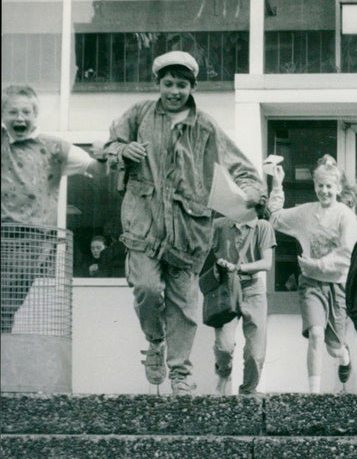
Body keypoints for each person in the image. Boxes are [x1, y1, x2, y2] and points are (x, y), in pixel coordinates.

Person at [104, 51, 267, 395]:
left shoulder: (205, 126)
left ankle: (179, 374)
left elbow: (240, 165)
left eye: (181, 84)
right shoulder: (139, 114)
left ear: (193, 86)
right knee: (146, 288)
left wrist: (253, 192)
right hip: (144, 224)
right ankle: (155, 342)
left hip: (188, 230)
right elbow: (104, 146)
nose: (174, 91)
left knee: (184, 305)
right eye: (167, 83)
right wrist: (121, 152)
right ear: (158, 84)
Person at [1, 84, 106, 334]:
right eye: (13, 112)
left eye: (26, 112)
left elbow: (98, 170)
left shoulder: (55, 148)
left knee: (5, 306)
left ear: (35, 115)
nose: (20, 118)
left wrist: (103, 156)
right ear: (3, 115)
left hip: (28, 241)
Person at [266, 155, 357, 393]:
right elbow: (276, 218)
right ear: (315, 186)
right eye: (320, 186)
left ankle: (344, 355)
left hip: (337, 284)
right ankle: (314, 395)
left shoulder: (346, 216)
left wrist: (317, 264)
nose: (324, 191)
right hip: (310, 283)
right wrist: (277, 185)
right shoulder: (306, 213)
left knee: (334, 348)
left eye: (329, 186)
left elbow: (348, 254)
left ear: (338, 188)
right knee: (316, 334)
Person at [211, 215, 276, 396]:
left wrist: (238, 268)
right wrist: (218, 264)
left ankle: (248, 390)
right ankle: (223, 373)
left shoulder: (262, 226)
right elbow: (203, 253)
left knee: (256, 352)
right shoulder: (219, 225)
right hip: (226, 288)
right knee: (224, 345)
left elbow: (267, 263)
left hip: (253, 288)